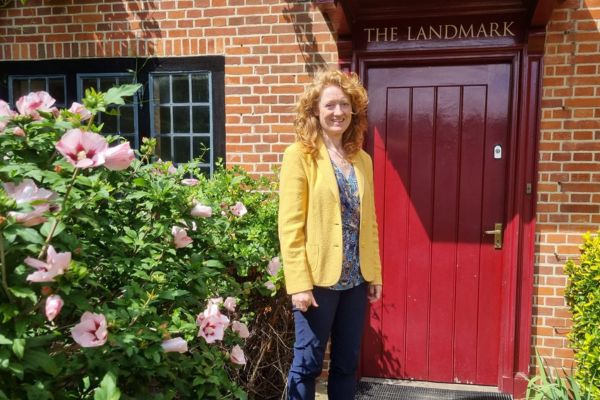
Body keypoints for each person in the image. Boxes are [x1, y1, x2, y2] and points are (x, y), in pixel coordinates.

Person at [278, 69, 383, 400]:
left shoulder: (362, 160)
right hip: (318, 281)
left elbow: (370, 222)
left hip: (355, 280)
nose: (338, 112)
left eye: (345, 105)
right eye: (330, 105)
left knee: (346, 365)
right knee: (307, 364)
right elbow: (290, 225)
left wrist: (375, 273)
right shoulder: (300, 155)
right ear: (315, 111)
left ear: (354, 112)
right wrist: (298, 284)